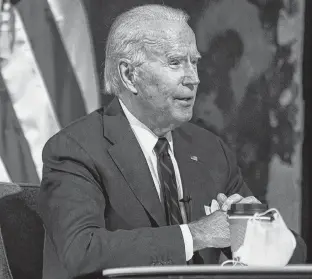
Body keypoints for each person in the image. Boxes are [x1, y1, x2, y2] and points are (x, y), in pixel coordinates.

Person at [38, 4, 304, 279]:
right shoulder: (75, 150)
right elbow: (82, 250)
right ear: (130, 75)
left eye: (195, 62)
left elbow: (296, 255)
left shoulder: (210, 150)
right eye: (176, 62)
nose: (194, 78)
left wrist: (258, 229)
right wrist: (196, 235)